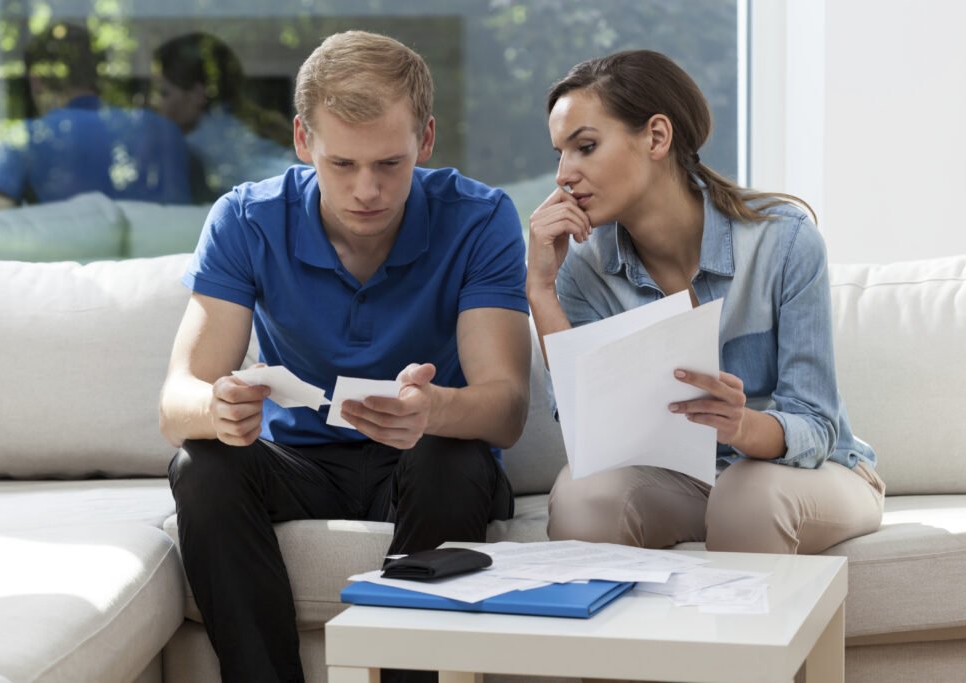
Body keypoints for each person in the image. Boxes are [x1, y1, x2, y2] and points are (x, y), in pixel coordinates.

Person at [159, 31, 531, 683]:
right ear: (304, 142)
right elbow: (175, 402)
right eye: (342, 165)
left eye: (390, 163)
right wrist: (217, 406)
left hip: (424, 458)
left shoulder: (481, 218)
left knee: (455, 454)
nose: (367, 190)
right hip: (299, 461)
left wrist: (437, 406)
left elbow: (505, 411)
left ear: (427, 139)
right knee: (202, 461)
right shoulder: (245, 220)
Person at [527, 50, 885, 555]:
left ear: (656, 136)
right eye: (559, 154)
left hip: (805, 474)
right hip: (683, 482)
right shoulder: (581, 264)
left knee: (746, 496)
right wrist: (540, 289)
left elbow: (816, 424)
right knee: (583, 495)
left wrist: (742, 425)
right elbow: (586, 434)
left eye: (584, 147)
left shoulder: (783, 240)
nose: (564, 174)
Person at [0, 23, 193, 209]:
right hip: (165, 253)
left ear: (35, 81)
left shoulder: (27, 138)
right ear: (97, 74)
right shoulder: (163, 130)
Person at [152, 32, 296, 200]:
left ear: (197, 94)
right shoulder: (236, 126)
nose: (154, 102)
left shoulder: (202, 145)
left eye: (163, 93)